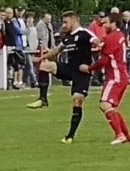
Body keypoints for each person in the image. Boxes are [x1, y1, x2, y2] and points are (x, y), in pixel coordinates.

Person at [31, 11, 100, 144]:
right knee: (45, 66)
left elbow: (100, 43)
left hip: (82, 72)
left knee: (77, 100)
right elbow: (56, 51)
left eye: (65, 22)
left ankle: (70, 136)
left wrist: (92, 66)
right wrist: (41, 58)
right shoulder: (68, 37)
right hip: (70, 69)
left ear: (74, 20)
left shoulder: (85, 34)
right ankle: (43, 99)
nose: (63, 25)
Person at [83, 14, 130, 146]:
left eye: (105, 23)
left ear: (113, 23)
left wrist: (89, 68)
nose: (103, 26)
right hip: (121, 76)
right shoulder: (119, 35)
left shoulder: (112, 37)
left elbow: (105, 60)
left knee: (104, 104)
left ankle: (119, 135)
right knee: (111, 107)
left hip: (115, 77)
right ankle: (127, 134)